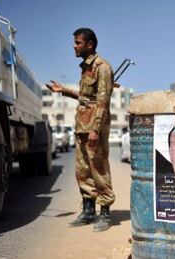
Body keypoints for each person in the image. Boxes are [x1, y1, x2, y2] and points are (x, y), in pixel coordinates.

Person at [46, 28, 115, 232]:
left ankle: (105, 213)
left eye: (78, 43)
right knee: (83, 170)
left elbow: (102, 102)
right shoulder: (86, 68)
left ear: (90, 44)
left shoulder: (102, 67)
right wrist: (64, 91)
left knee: (99, 169)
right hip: (81, 126)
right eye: (75, 43)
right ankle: (88, 211)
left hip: (94, 127)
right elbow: (86, 98)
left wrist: (95, 130)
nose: (74, 46)